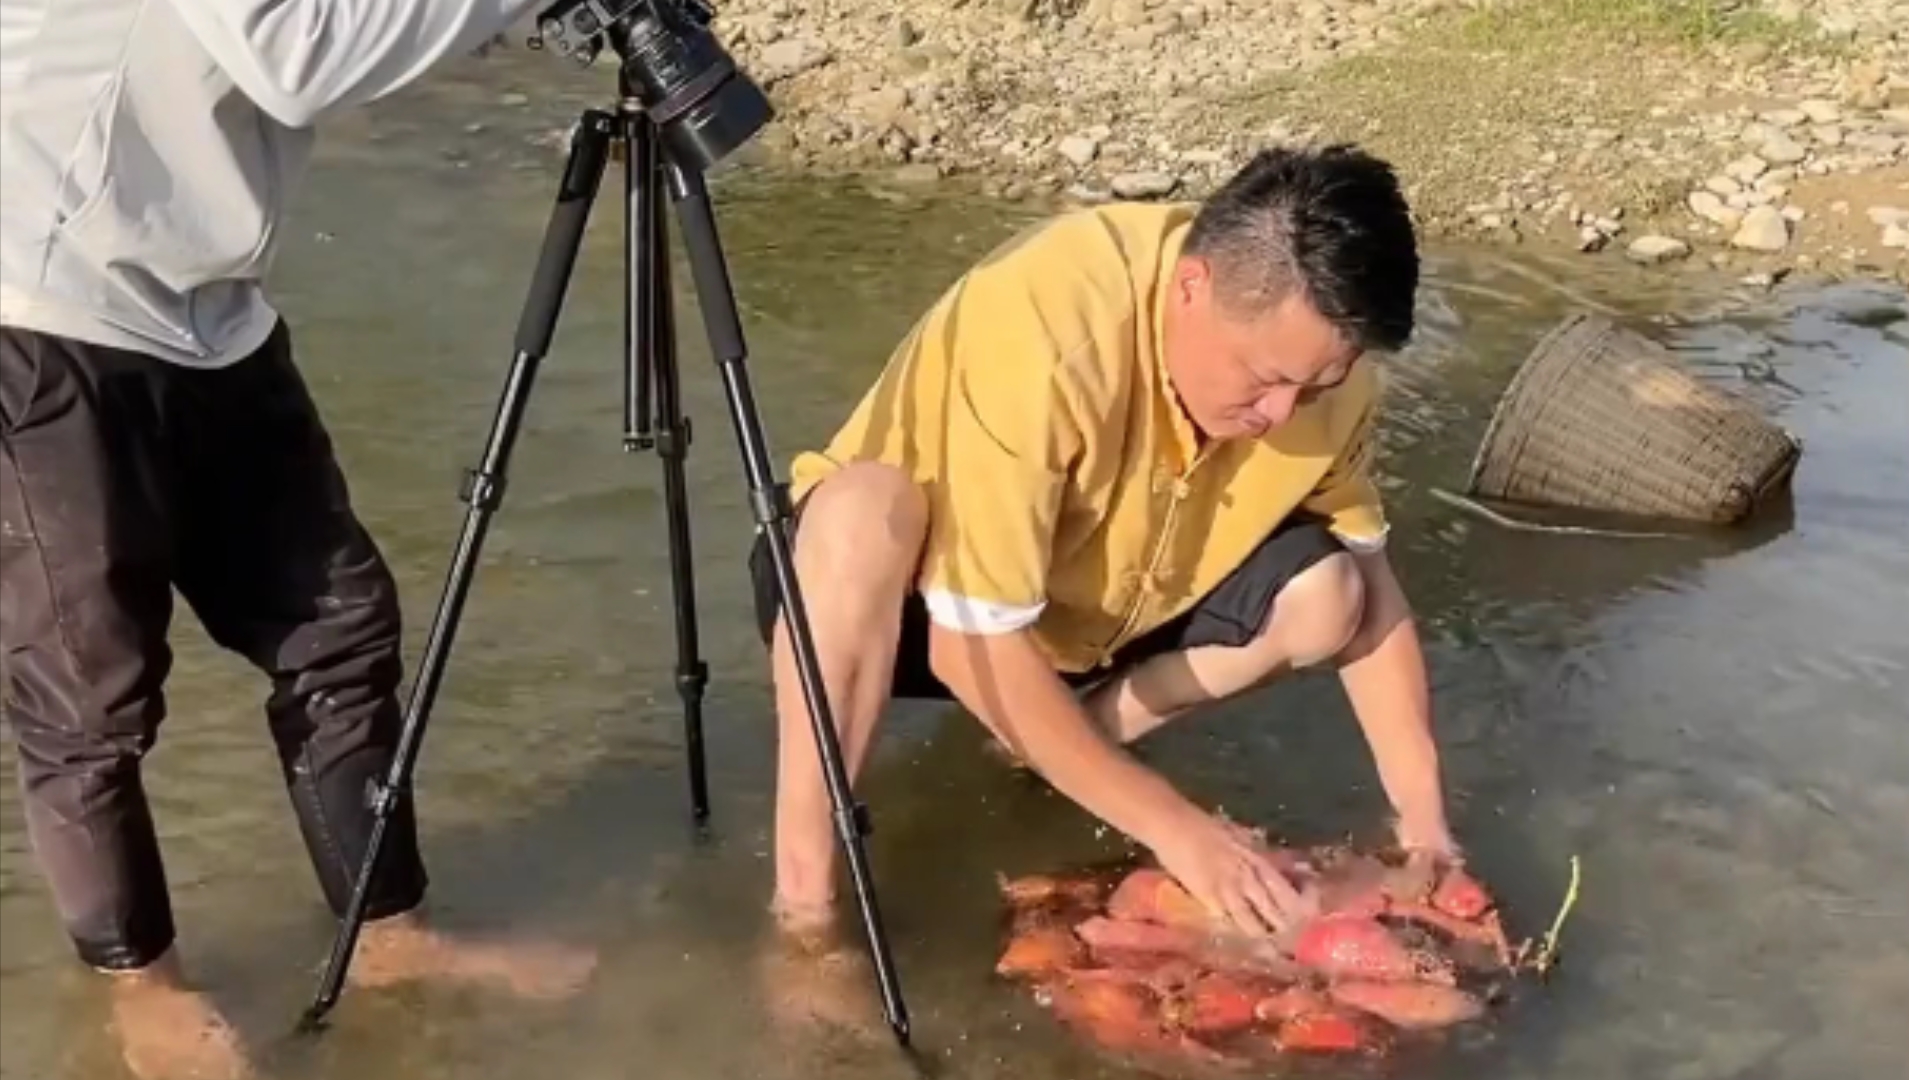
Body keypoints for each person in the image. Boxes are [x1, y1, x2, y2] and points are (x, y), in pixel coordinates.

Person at [0, 3, 596, 1078]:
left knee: (338, 625)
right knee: (89, 691)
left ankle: (389, 934)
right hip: (42, 304)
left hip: (209, 305)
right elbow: (294, 55)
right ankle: (143, 989)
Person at [748, 144, 1466, 1010]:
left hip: (1104, 617)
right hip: (914, 614)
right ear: (1192, 288)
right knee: (863, 512)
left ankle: (1058, 737)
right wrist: (1177, 829)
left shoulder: (1326, 378)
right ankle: (804, 911)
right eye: (1268, 379)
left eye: (1316, 387)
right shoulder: (1046, 327)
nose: (1281, 415)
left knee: (1331, 599)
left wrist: (1425, 828)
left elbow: (1374, 590)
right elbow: (966, 639)